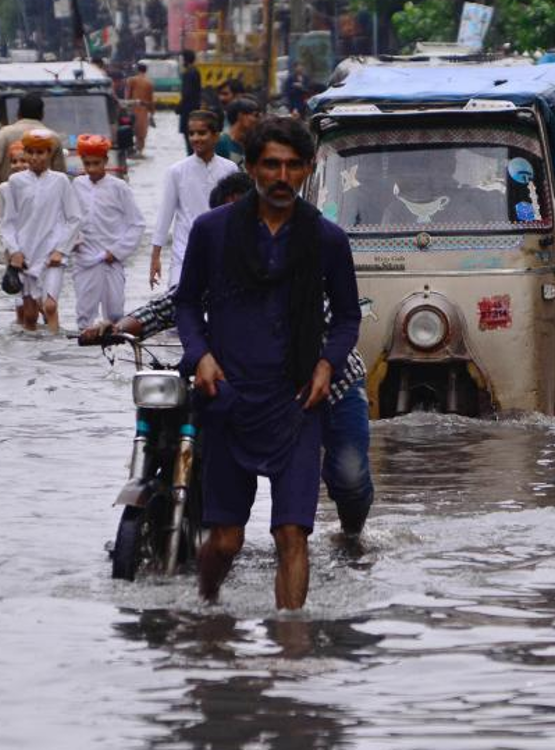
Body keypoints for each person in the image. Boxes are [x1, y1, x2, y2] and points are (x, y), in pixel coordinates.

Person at [80, 168, 375, 546]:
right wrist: (120, 325)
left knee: (347, 478)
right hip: (255, 386)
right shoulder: (219, 258)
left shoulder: (302, 255)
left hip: (330, 385)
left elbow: (339, 318)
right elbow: (175, 302)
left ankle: (352, 537)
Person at [175, 117, 361, 609]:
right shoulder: (211, 231)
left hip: (297, 400)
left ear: (308, 170)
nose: (282, 177)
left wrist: (327, 366)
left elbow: (346, 318)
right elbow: (187, 304)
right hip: (228, 398)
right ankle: (207, 612)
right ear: (252, 167)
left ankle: (290, 651)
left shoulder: (327, 240)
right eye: (271, 165)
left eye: (293, 166)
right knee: (226, 540)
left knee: (291, 536)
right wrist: (202, 357)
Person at [0, 129, 82, 333]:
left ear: (50, 153)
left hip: (53, 253)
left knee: (50, 306)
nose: (35, 158)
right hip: (25, 255)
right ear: (25, 153)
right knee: (30, 315)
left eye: (41, 152)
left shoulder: (60, 181)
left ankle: (55, 353)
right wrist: (14, 251)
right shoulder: (15, 183)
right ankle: (30, 359)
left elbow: (74, 218)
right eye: (31, 152)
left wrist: (61, 250)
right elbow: (6, 222)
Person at [149, 109, 238, 290]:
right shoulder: (177, 171)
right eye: (191, 133)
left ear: (216, 136)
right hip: (184, 251)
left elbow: (237, 213)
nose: (196, 138)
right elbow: (165, 215)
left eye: (202, 133)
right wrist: (155, 257)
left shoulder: (230, 169)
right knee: (181, 301)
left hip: (220, 251)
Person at [70, 134, 144, 329]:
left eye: (96, 163)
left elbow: (137, 224)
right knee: (84, 316)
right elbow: (69, 220)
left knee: (115, 315)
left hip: (112, 259)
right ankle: (85, 357)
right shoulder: (77, 185)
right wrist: (73, 240)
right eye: (87, 164)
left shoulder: (119, 187)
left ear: (106, 160)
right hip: (84, 258)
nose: (92, 169)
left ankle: (114, 356)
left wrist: (117, 251)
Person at [0, 93, 67, 215]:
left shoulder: (5, 134)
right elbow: (61, 177)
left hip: (8, 207)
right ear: (42, 114)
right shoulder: (53, 138)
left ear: (18, 113)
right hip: (43, 209)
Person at [216, 96, 261, 167]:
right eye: (255, 115)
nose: (258, 120)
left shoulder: (250, 142)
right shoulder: (222, 141)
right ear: (241, 116)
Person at [177, 50, 204, 155]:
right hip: (195, 110)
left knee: (190, 143)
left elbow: (187, 94)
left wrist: (179, 107)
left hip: (187, 111)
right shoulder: (196, 71)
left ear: (185, 60)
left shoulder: (188, 73)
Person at [126, 63, 155, 154]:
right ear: (145, 71)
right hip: (144, 109)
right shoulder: (149, 82)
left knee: (131, 131)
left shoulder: (131, 80)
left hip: (133, 107)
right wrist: (152, 113)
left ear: (137, 70)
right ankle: (140, 151)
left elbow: (128, 95)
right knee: (141, 134)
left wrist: (126, 108)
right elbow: (151, 99)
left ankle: (133, 151)